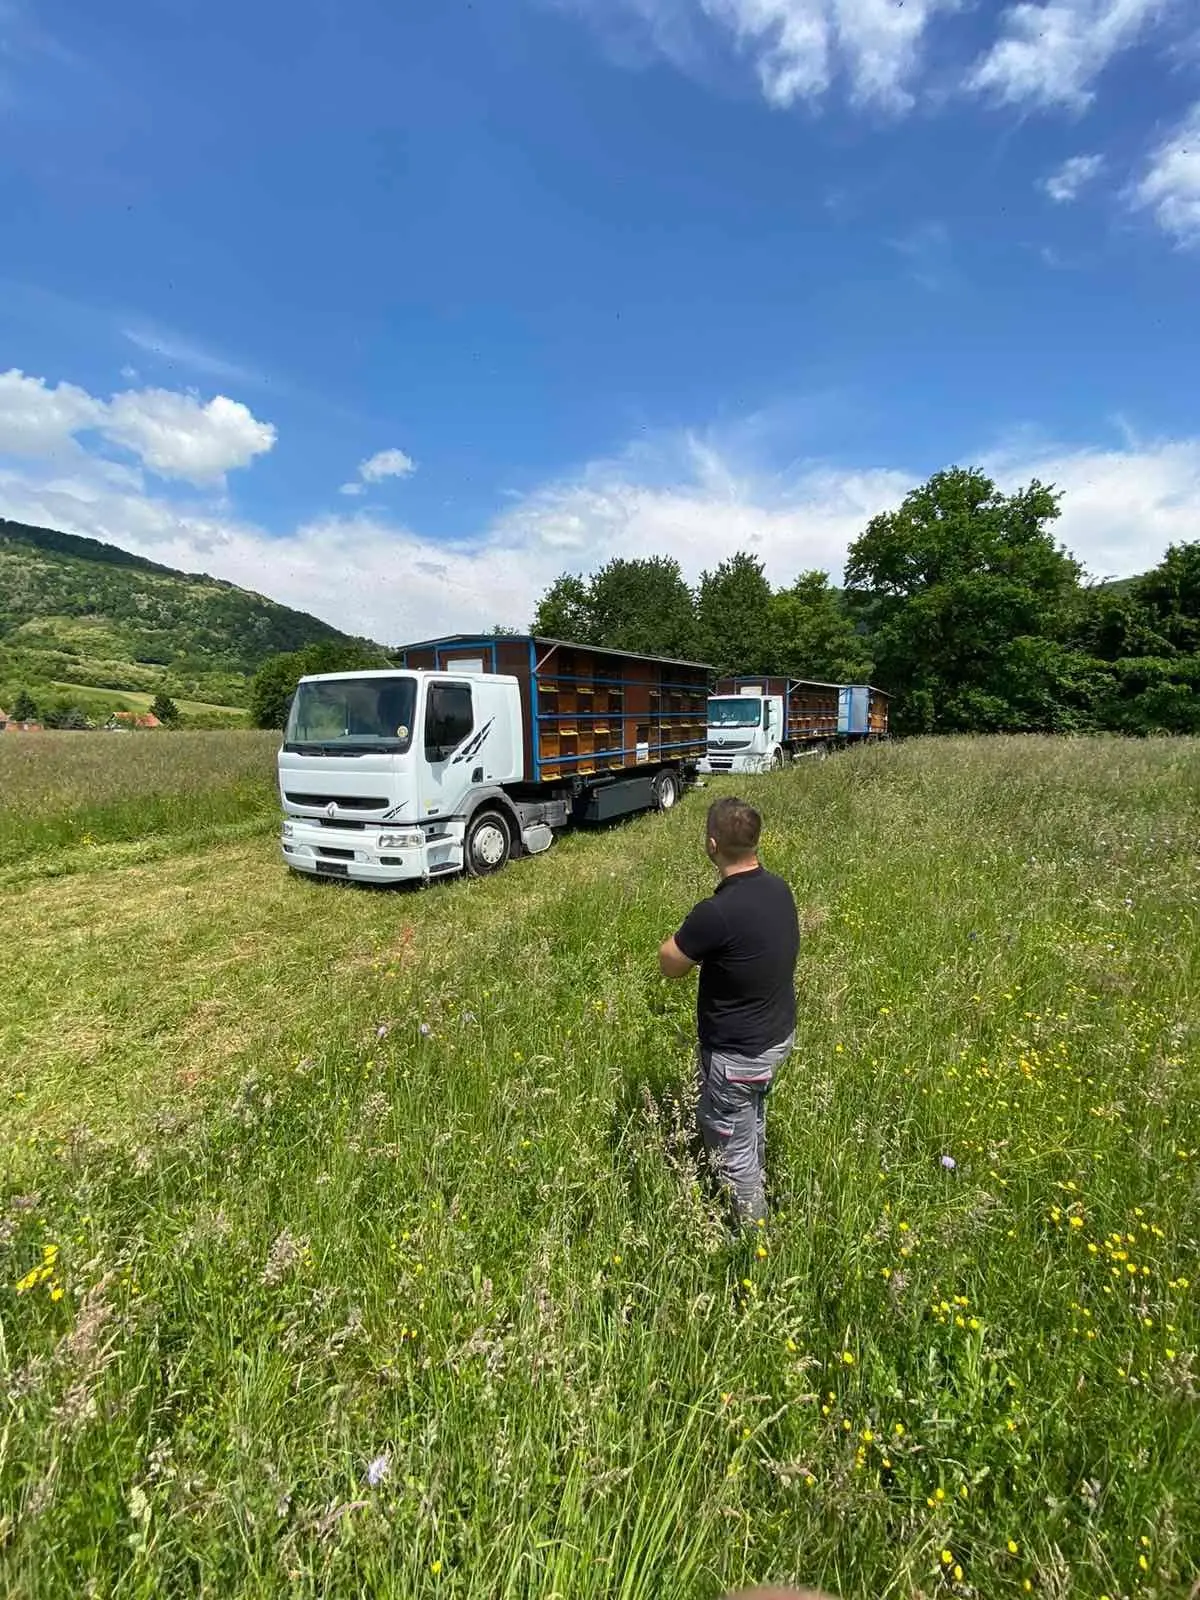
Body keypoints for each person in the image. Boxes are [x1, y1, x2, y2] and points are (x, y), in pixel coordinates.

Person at [658, 796, 800, 1226]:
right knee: (751, 1117)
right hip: (777, 1038)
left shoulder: (715, 913)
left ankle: (755, 1236)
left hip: (738, 1054)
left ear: (712, 844)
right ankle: (759, 1178)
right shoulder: (779, 888)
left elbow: (669, 963)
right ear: (756, 842)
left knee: (729, 1148)